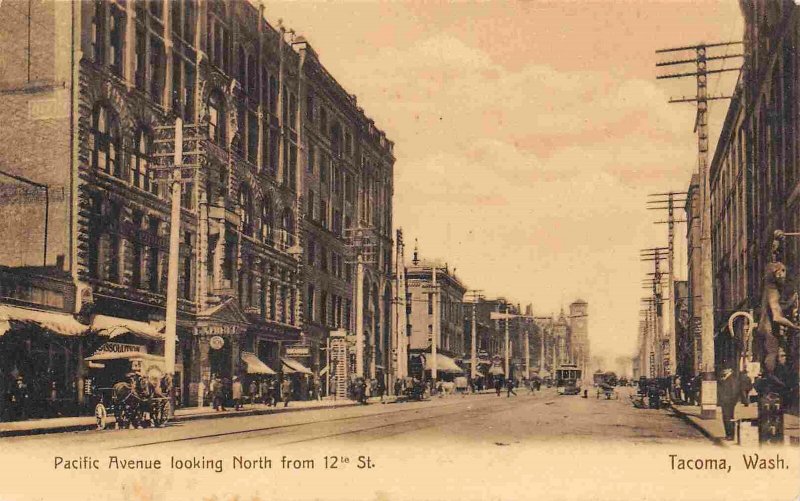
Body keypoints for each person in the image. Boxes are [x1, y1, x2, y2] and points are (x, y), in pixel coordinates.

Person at [718, 367, 739, 441]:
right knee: (726, 418)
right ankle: (728, 434)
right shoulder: (726, 378)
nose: (724, 370)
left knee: (728, 418)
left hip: (728, 403)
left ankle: (730, 435)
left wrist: (732, 402)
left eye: (726, 369)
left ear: (730, 370)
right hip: (726, 402)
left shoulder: (732, 379)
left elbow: (734, 391)